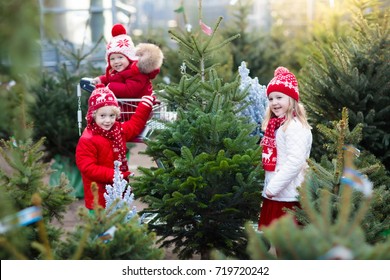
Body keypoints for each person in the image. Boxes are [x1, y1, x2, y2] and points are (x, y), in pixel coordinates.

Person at [75, 84, 156, 211]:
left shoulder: (118, 130)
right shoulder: (87, 139)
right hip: (99, 198)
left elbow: (134, 125)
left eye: (112, 116)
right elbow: (88, 168)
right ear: (93, 115)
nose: (108, 120)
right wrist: (116, 176)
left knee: (119, 226)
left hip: (118, 192)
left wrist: (145, 106)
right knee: (101, 228)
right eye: (102, 116)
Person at [258, 66, 312, 230]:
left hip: (287, 196)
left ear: (292, 99)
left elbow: (295, 161)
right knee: (274, 245)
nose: (274, 102)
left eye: (279, 97)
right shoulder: (277, 126)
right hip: (278, 193)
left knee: (285, 244)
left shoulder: (294, 127)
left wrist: (273, 187)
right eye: (271, 98)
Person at [93, 23, 163, 99]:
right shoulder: (120, 71)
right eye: (112, 59)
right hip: (127, 107)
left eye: (120, 57)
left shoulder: (136, 72)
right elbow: (112, 78)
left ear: (129, 57)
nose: (116, 61)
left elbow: (129, 91)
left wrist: (110, 87)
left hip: (139, 106)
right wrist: (101, 79)